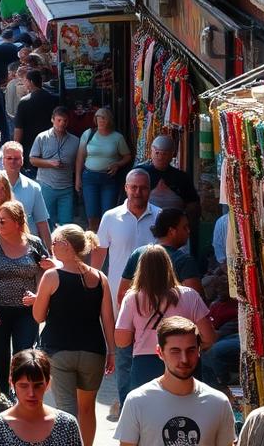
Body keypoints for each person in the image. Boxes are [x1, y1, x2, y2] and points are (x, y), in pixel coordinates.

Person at [32, 225, 114, 446]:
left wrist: (41, 300)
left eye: (55, 243)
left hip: (59, 351)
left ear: (66, 245)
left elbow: (38, 316)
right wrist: (112, 351)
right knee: (87, 409)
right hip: (93, 352)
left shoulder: (51, 276)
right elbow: (107, 319)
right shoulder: (100, 278)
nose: (52, 248)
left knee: (66, 412)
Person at [90, 168, 161, 414]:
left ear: (149, 189)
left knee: (151, 352)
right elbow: (99, 253)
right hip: (119, 297)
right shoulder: (111, 217)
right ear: (126, 188)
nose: (138, 192)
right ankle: (125, 403)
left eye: (143, 187)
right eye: (134, 187)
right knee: (123, 353)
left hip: (155, 299)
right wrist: (90, 283)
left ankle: (148, 403)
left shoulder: (160, 218)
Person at [0, 200, 53, 399]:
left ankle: (22, 396)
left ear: (18, 223)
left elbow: (49, 273)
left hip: (26, 311)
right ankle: (1, 396)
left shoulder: (34, 243)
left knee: (24, 354)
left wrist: (39, 296)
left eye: (3, 221)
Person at [115, 317, 235, 446]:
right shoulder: (137, 401)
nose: (184, 359)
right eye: (175, 351)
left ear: (198, 351)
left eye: (191, 350)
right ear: (160, 352)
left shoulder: (218, 403)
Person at [115, 245, 215, 392]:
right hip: (183, 362)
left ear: (141, 270)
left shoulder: (132, 298)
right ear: (169, 266)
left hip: (145, 365)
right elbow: (209, 337)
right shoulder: (190, 295)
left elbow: (121, 341)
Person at [0, 349, 82, 446]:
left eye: (38, 385)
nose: (31, 393)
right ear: (12, 383)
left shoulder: (67, 425)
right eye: (24, 386)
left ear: (48, 383)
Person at [118, 208, 204, 303]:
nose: (188, 231)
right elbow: (196, 302)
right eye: (185, 227)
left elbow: (122, 296)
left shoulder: (137, 254)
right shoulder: (184, 261)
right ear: (172, 231)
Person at [74, 107, 133, 232]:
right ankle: (94, 245)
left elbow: (127, 156)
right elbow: (80, 157)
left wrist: (118, 164)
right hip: (89, 178)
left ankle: (107, 246)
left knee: (108, 215)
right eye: (98, 117)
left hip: (108, 178)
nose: (100, 120)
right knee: (92, 215)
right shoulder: (88, 134)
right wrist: (78, 178)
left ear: (109, 120)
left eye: (103, 117)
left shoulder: (117, 137)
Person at [29, 106, 81, 228]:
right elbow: (32, 160)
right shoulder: (42, 137)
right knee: (46, 221)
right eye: (59, 120)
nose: (62, 123)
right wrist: (49, 163)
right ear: (52, 119)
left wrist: (78, 180)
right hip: (46, 185)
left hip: (66, 187)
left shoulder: (75, 140)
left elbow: (80, 163)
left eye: (65, 121)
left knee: (67, 224)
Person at [137, 133, 201, 226]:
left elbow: (193, 205)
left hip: (173, 226)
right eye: (157, 152)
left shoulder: (181, 177)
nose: (160, 157)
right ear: (151, 151)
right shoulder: (140, 173)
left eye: (165, 153)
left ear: (172, 154)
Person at [0, 141, 52, 251]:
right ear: (2, 160)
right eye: (9, 158)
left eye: (17, 158)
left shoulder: (33, 187)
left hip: (27, 247)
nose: (13, 161)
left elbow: (42, 222)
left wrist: (50, 252)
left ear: (22, 160)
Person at [13, 69, 58, 163]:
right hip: (50, 142)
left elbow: (19, 128)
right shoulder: (53, 99)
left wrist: (15, 147)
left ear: (31, 82)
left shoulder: (24, 102)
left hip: (30, 145)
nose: (24, 84)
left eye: (25, 81)